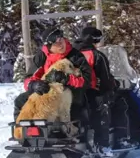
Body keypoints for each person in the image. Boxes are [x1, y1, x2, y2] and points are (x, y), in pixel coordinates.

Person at [13, 27, 92, 126]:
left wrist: (66, 79)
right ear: (49, 46)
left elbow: (87, 80)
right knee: (20, 100)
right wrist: (33, 85)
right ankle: (23, 130)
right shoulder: (42, 56)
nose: (60, 44)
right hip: (48, 91)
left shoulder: (75, 56)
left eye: (61, 39)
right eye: (56, 43)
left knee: (74, 107)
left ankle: (74, 131)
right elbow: (29, 77)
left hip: (71, 91)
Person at [72, 27, 131, 155]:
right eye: (98, 39)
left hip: (73, 92)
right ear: (94, 39)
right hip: (91, 92)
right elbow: (105, 79)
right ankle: (118, 140)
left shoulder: (70, 52)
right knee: (120, 103)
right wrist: (114, 85)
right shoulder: (96, 55)